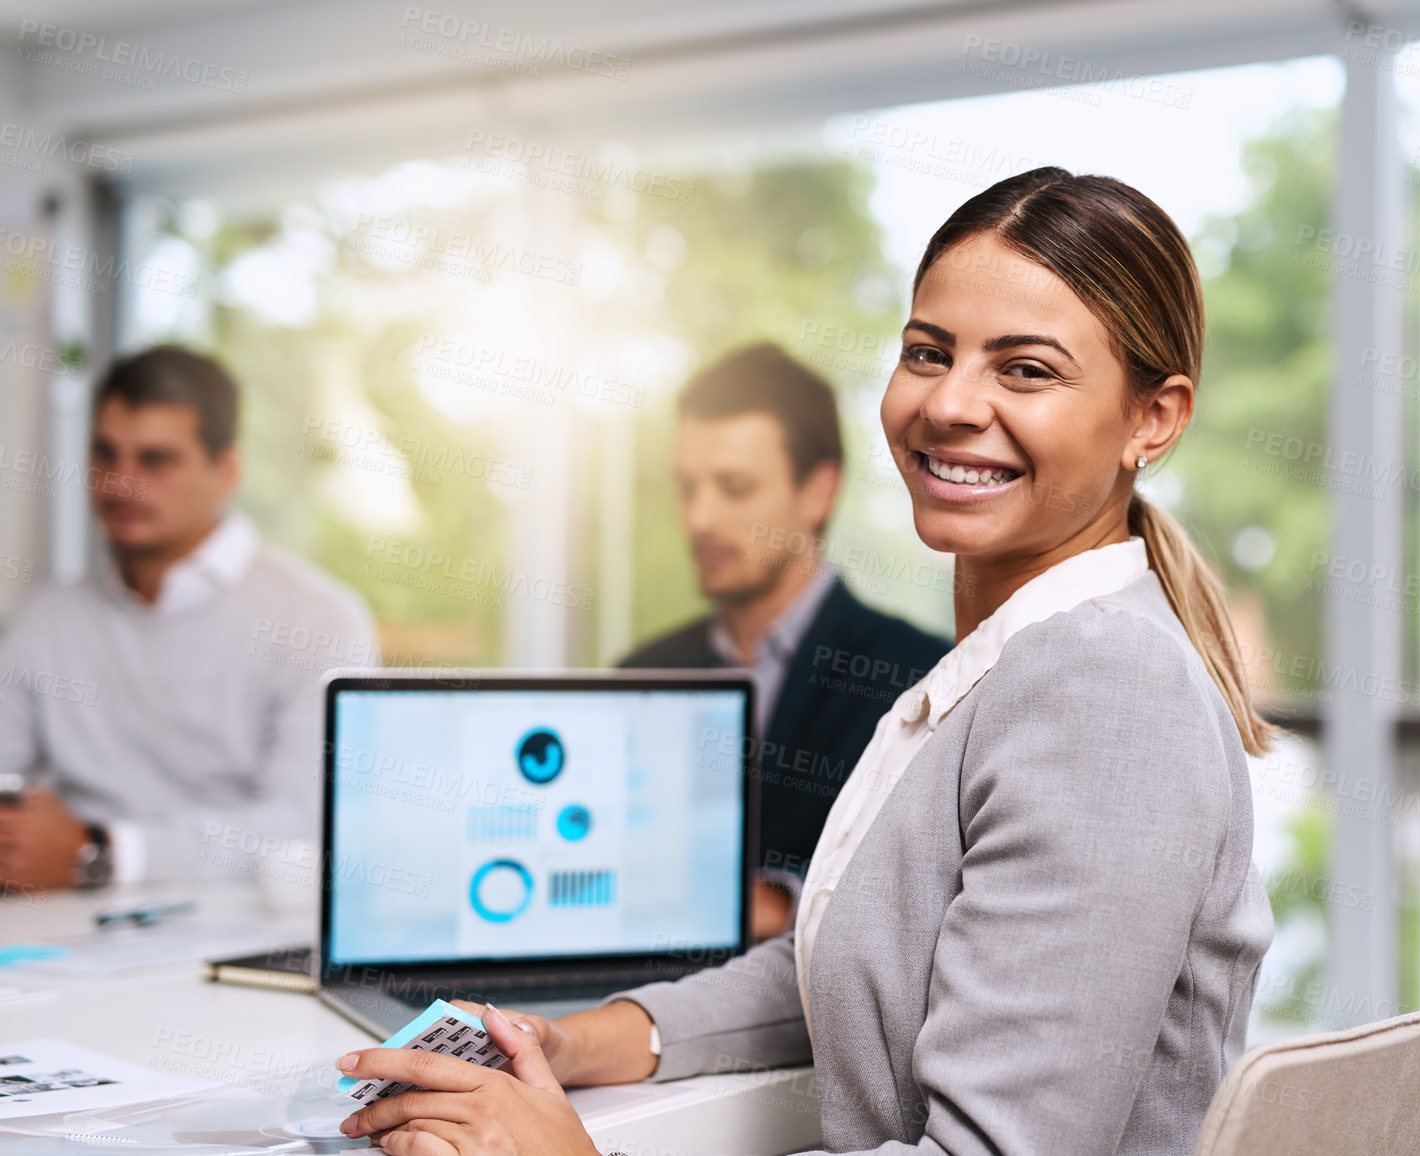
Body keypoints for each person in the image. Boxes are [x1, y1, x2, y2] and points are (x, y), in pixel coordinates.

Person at [334, 168, 1276, 1156]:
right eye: (927, 352)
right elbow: (854, 961)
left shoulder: (1101, 687)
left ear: (1152, 419)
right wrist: (569, 1039)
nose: (949, 403)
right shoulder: (1016, 657)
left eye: (1025, 370)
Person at [0, 346, 375, 893]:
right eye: (105, 454)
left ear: (225, 470)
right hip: (54, 935)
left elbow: (305, 826)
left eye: (156, 460)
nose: (120, 482)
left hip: (231, 938)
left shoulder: (317, 620)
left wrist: (103, 851)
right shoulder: (46, 617)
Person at [619, 342, 948, 938]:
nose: (699, 518)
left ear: (818, 492)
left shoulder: (919, 680)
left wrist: (776, 904)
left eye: (735, 487)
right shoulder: (640, 678)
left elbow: (917, 908)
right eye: (687, 487)